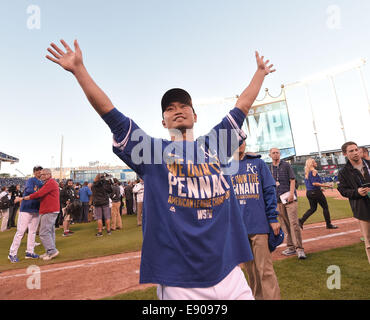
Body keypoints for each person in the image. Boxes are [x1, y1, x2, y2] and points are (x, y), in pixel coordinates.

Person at [46, 38, 275, 299]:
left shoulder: (216, 143)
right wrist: (79, 70)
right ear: (163, 120)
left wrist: (259, 73)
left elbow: (242, 105)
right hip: (180, 282)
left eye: (183, 106)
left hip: (230, 273)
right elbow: (112, 116)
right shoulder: (152, 153)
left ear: (195, 115)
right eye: (169, 108)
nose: (177, 110)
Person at [231, 141, 281, 300]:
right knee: (251, 274)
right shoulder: (224, 166)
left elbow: (269, 190)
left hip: (259, 225)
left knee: (265, 271)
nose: (239, 144)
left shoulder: (257, 163)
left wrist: (273, 217)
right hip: (238, 229)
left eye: (242, 141)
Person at [269, 148, 306, 259]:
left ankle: (299, 249)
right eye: (273, 153)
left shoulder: (286, 165)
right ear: (270, 155)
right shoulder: (269, 168)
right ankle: (291, 247)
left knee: (294, 223)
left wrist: (291, 194)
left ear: (279, 154)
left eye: (277, 153)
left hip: (290, 199)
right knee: (285, 225)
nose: (276, 155)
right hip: (278, 200)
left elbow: (292, 180)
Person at [16, 168, 60, 261]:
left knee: (43, 233)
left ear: (49, 175)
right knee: (50, 232)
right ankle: (50, 251)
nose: (41, 176)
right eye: (41, 174)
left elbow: (38, 194)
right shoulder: (49, 183)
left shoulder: (51, 183)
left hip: (49, 210)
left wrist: (23, 198)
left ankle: (52, 251)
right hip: (49, 210)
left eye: (43, 174)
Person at [337, 142, 370, 264]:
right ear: (345, 154)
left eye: (356, 149)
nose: (355, 152)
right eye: (351, 151)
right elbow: (343, 190)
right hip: (362, 209)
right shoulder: (344, 172)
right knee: (369, 242)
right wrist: (357, 192)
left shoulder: (369, 164)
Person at [8, 166, 43, 263]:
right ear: (34, 172)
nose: (39, 173)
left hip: (36, 209)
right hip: (26, 208)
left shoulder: (41, 182)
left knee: (32, 232)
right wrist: (39, 192)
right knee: (21, 232)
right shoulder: (31, 180)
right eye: (37, 171)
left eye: (40, 171)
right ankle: (12, 253)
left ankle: (30, 252)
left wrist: (39, 192)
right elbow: (29, 191)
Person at [299, 158, 338, 230]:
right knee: (325, 207)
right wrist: (327, 186)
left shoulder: (307, 172)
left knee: (313, 208)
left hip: (309, 193)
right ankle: (328, 224)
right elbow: (314, 183)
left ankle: (301, 220)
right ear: (311, 164)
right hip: (315, 192)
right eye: (314, 162)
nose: (316, 162)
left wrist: (320, 188)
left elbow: (311, 184)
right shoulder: (314, 171)